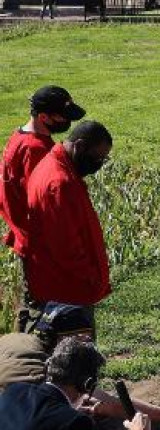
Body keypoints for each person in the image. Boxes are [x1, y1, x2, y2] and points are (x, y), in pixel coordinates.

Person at [0, 304, 160, 429]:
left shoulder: (17, 339)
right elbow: (105, 400)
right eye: (81, 340)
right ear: (62, 342)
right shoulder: (39, 375)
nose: (86, 345)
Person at [1, 87, 87, 319]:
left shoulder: (19, 137)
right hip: (39, 243)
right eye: (62, 117)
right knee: (47, 311)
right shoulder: (36, 149)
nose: (67, 122)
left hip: (26, 236)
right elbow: (45, 200)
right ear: (43, 117)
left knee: (38, 303)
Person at [22, 122, 113, 323]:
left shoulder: (53, 164)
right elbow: (66, 247)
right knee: (75, 343)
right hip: (68, 292)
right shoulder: (60, 183)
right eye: (97, 157)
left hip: (61, 286)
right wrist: (91, 277)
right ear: (79, 146)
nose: (98, 164)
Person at [0, 337, 153, 430]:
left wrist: (67, 411)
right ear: (87, 384)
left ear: (48, 367)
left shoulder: (14, 391)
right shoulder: (74, 423)